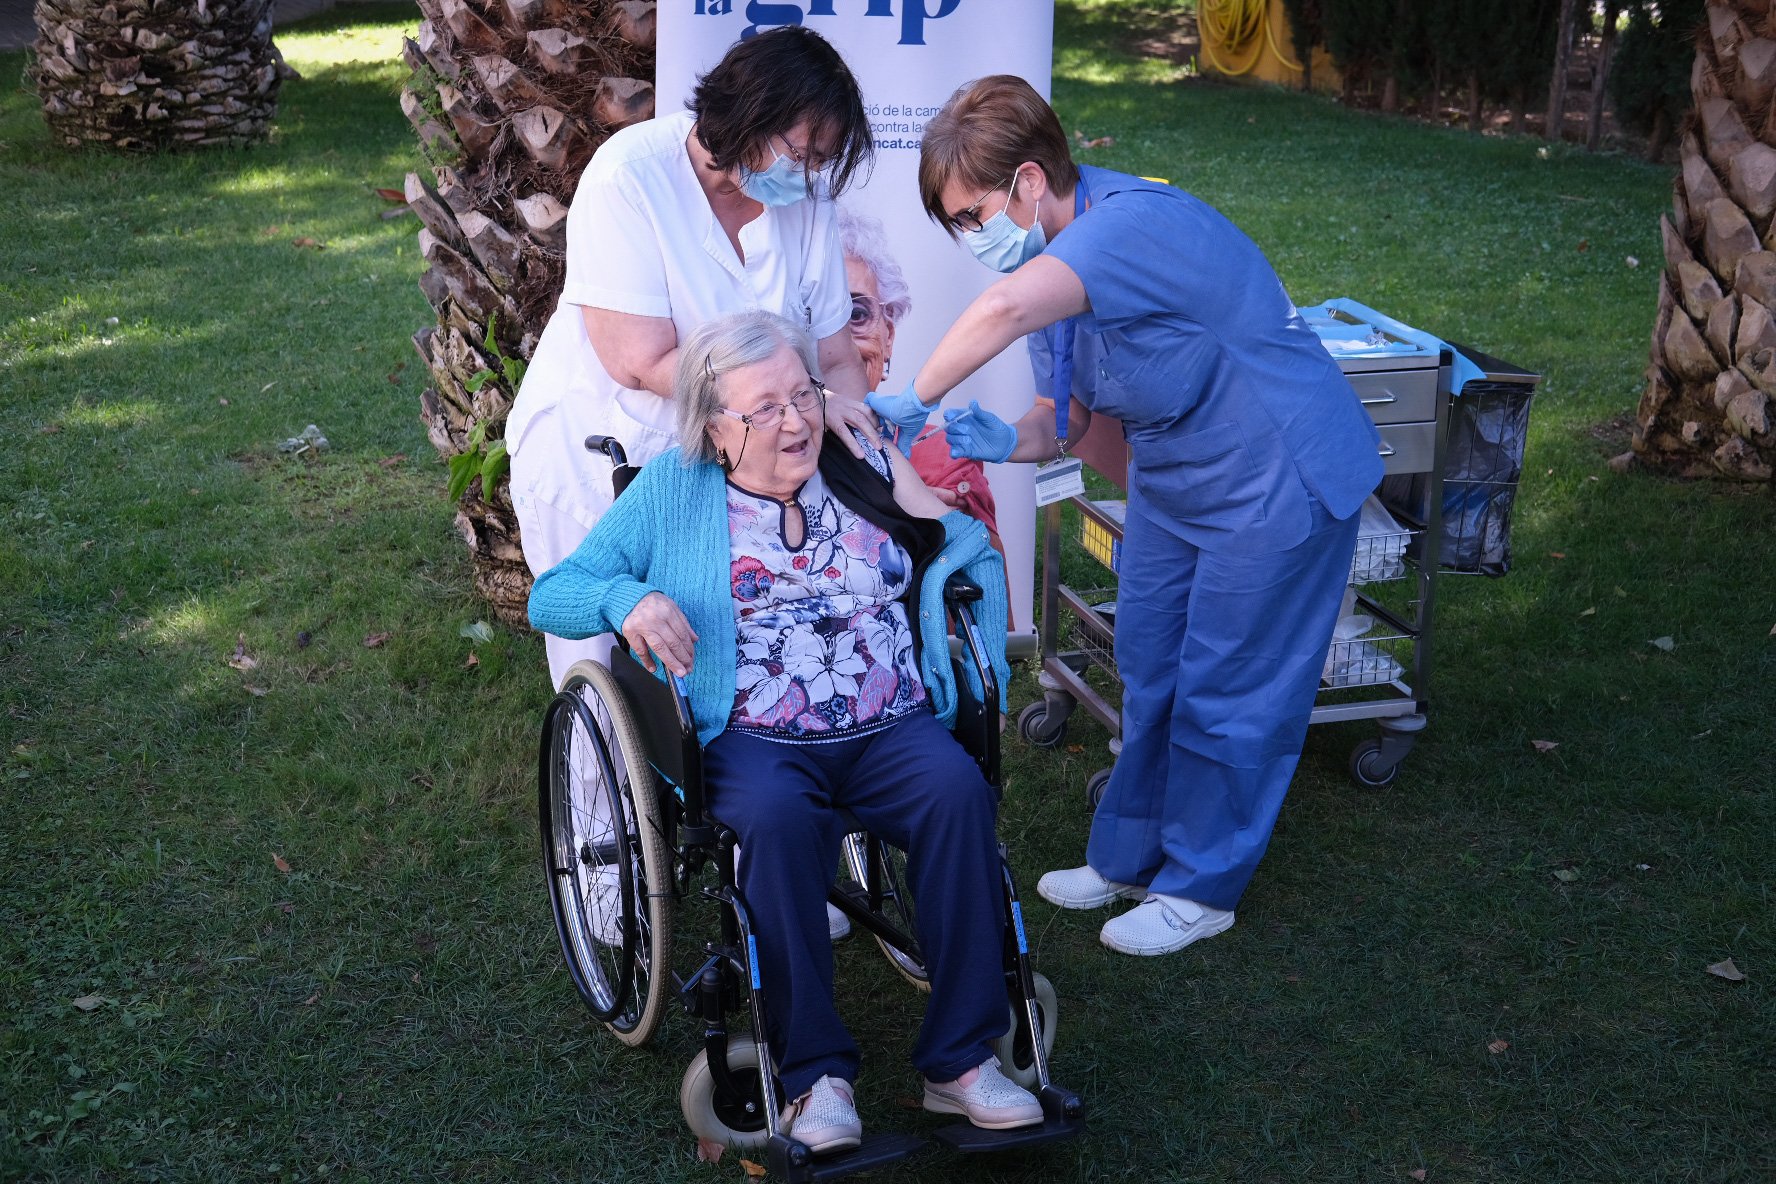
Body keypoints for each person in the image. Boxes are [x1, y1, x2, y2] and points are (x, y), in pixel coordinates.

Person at [866, 75, 1385, 957]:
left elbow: (999, 309)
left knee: (1230, 686)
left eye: (969, 214)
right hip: (1179, 482)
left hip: (1273, 474)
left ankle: (1202, 885)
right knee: (1149, 662)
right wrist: (1001, 440)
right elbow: (1063, 422)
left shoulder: (1134, 226)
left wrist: (909, 397)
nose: (967, 237)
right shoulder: (1047, 265)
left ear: (1030, 182)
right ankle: (1128, 857)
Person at [527, 311, 1041, 1152]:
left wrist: (886, 459)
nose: (796, 421)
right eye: (764, 409)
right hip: (756, 735)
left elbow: (958, 546)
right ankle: (816, 1076)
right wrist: (628, 600)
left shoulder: (857, 459)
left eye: (803, 394)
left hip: (889, 722)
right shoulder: (674, 490)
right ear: (714, 427)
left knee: (956, 795)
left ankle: (958, 1062)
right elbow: (556, 591)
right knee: (775, 824)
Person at [509, 26, 881, 692]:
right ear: (747, 117)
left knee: (707, 671)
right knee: (602, 673)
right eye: (803, 152)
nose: (812, 175)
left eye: (822, 160)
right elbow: (641, 359)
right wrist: (789, 408)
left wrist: (861, 440)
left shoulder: (805, 203)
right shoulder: (631, 175)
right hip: (604, 453)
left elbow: (834, 352)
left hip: (726, 464)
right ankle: (596, 795)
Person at [838, 206, 1004, 554]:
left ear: (888, 338)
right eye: (813, 316)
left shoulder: (944, 457)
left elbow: (986, 591)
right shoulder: (749, 455)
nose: (835, 342)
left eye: (856, 314)